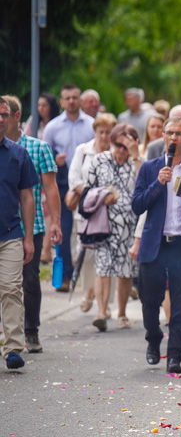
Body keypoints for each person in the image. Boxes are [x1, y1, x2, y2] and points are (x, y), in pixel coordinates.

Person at [132, 116, 181, 374]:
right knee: (149, 302)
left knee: (180, 305)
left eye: (179, 133)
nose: (174, 138)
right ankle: (153, 340)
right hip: (154, 244)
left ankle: (175, 356)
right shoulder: (149, 168)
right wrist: (158, 183)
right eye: (169, 133)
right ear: (163, 137)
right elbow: (137, 205)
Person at [4, 95, 61, 353]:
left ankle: (31, 332)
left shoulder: (36, 148)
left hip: (31, 225)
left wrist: (55, 223)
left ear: (16, 117)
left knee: (27, 280)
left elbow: (50, 188)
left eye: (5, 115)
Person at [85, 124, 142, 331]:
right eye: (118, 145)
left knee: (125, 271)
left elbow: (143, 187)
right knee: (103, 267)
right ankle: (101, 312)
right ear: (112, 142)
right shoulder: (100, 160)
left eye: (126, 146)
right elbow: (88, 189)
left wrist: (135, 156)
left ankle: (122, 312)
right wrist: (101, 196)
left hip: (129, 224)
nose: (121, 150)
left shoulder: (137, 163)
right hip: (104, 222)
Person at [43, 84, 94, 291]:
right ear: (62, 101)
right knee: (62, 228)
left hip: (87, 183)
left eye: (75, 97)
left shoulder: (91, 124)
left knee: (90, 229)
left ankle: (89, 277)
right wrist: (56, 160)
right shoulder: (53, 127)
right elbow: (44, 159)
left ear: (80, 100)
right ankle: (65, 276)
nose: (71, 101)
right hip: (62, 182)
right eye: (67, 98)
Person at [0, 96, 38, 369]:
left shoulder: (17, 154)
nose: (0, 119)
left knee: (12, 288)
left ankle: (13, 347)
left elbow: (27, 196)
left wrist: (28, 238)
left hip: (10, 233)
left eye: (4, 114)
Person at [68, 113, 117, 311]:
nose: (105, 136)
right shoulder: (83, 151)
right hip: (87, 211)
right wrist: (93, 195)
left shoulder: (116, 151)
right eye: (101, 131)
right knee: (86, 254)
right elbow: (74, 178)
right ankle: (87, 292)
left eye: (108, 132)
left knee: (107, 256)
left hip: (108, 211)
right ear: (95, 131)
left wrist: (104, 196)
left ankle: (103, 301)